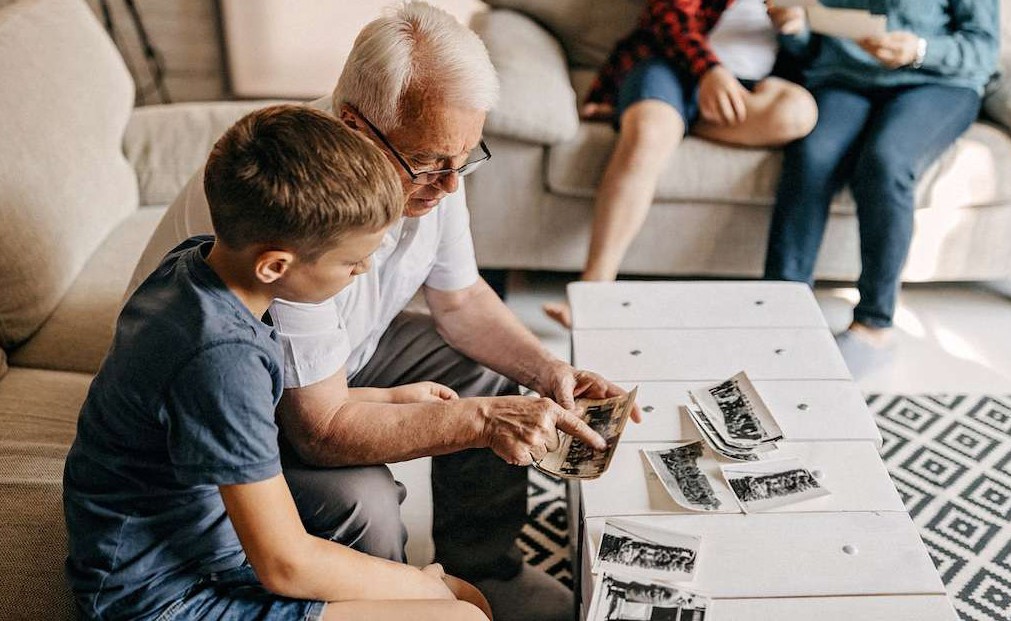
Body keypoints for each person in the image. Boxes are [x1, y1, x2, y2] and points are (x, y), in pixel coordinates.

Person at [127, 3, 637, 620]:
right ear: (357, 128)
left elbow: (462, 298)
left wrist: (545, 370)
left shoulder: (427, 160)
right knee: (361, 497)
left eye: (466, 159)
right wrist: (480, 425)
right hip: (261, 400)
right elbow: (320, 430)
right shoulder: (292, 225)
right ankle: (386, 594)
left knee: (494, 377)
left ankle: (483, 565)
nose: (451, 186)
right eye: (430, 164)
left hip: (333, 363)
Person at [64, 105, 491, 621]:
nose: (364, 268)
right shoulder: (219, 355)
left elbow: (234, 413)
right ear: (275, 265)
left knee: (463, 596)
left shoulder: (200, 268)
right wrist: (415, 589)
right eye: (351, 260)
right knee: (456, 613)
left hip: (210, 548)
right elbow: (284, 564)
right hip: (167, 596)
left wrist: (384, 397)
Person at [543, 0, 819, 328]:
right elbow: (668, 16)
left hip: (746, 87)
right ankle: (593, 290)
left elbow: (812, 54)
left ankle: (671, 120)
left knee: (798, 113)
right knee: (647, 136)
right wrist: (709, 70)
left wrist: (796, 29)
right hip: (671, 65)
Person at [763, 0, 999, 369]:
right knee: (812, 156)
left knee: (886, 161)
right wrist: (796, 30)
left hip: (937, 82)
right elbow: (814, 48)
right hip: (844, 79)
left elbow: (984, 49)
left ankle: (874, 324)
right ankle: (780, 307)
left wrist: (920, 49)